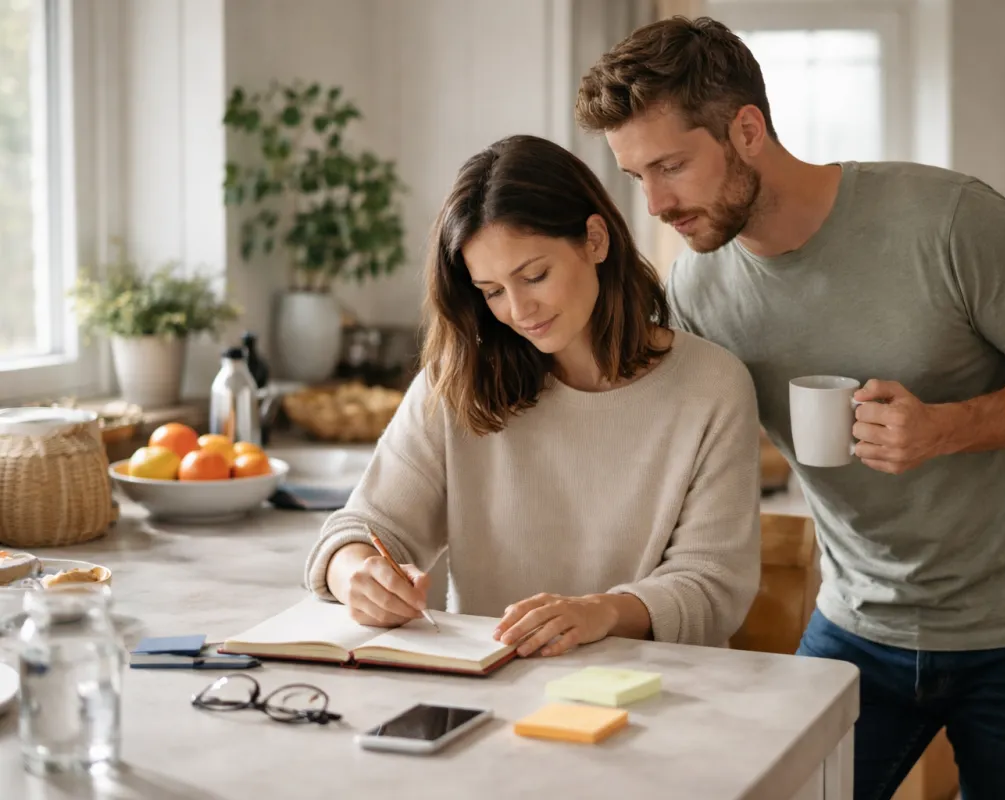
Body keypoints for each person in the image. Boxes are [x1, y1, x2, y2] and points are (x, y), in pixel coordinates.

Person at [576, 16, 1005, 800]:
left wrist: (945, 428)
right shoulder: (699, 290)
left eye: (671, 166)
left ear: (747, 130)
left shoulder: (949, 220)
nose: (656, 203)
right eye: (637, 177)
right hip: (858, 625)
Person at [303, 133, 761, 659]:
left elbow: (712, 586)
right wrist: (356, 573)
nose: (518, 311)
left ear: (594, 239)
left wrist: (600, 613)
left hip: (659, 694)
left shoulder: (712, 386)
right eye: (493, 291)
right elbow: (362, 528)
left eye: (534, 275)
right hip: (491, 691)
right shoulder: (457, 382)